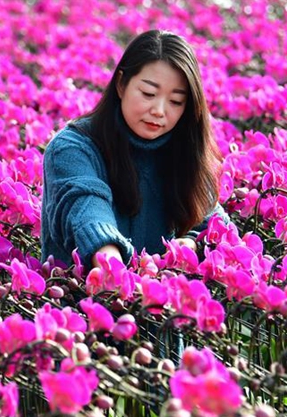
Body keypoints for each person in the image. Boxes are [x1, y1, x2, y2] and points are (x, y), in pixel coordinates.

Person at [41, 30, 229, 269]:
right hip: (81, 299)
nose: (159, 110)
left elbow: (214, 224)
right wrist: (110, 266)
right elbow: (87, 208)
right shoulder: (72, 149)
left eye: (176, 101)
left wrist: (191, 244)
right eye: (149, 94)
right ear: (121, 84)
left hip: (163, 303)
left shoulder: (185, 150)